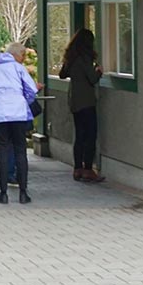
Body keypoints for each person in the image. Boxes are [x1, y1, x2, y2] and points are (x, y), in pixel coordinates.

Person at [0, 40, 39, 203]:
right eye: (22, 55)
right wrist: (22, 101)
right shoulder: (18, 68)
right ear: (15, 55)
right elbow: (31, 90)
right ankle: (23, 193)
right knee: (20, 150)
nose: (23, 58)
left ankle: (3, 193)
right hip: (18, 111)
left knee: (3, 150)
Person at [59, 29, 103, 183]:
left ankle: (77, 168)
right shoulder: (85, 58)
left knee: (79, 135)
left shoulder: (71, 57)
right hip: (86, 100)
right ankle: (88, 169)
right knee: (90, 134)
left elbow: (62, 74)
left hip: (74, 99)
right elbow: (92, 79)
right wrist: (98, 71)